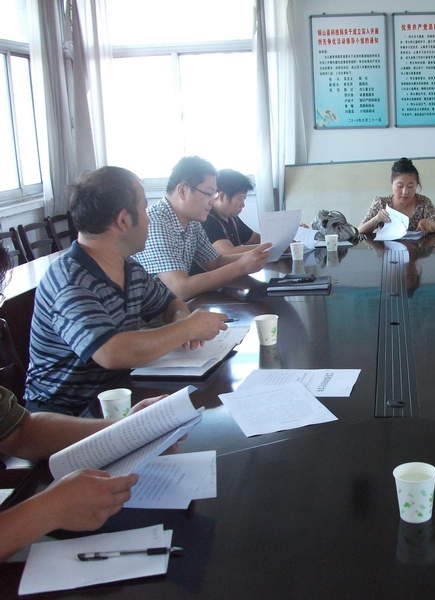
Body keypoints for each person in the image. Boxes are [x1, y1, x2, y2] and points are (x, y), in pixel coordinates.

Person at [0, 242, 171, 563]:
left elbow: (19, 431)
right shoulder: (70, 277)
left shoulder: (129, 268)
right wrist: (46, 510)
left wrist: (127, 428)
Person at [25, 166, 229, 415]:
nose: (148, 219)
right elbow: (111, 352)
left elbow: (169, 303)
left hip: (118, 394)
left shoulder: (128, 267)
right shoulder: (69, 279)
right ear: (123, 221)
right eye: (143, 209)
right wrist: (187, 328)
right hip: (66, 414)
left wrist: (181, 320)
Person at [133, 156, 272, 301]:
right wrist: (240, 266)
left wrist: (262, 282)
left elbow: (216, 263)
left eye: (214, 194)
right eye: (208, 194)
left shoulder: (192, 223)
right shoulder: (156, 223)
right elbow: (180, 289)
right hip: (151, 312)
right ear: (183, 191)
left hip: (175, 306)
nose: (212, 201)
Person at [357, 158, 435, 235]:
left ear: (417, 185)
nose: (405, 192)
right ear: (392, 184)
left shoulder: (424, 202)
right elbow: (360, 230)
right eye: (400, 186)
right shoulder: (381, 203)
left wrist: (428, 223)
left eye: (410, 186)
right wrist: (376, 219)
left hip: (418, 248)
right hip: (386, 248)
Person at [200, 168, 260, 255]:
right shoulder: (207, 219)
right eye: (240, 199)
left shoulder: (232, 217)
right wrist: (268, 247)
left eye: (244, 199)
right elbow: (228, 252)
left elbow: (255, 238)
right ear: (222, 196)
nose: (243, 205)